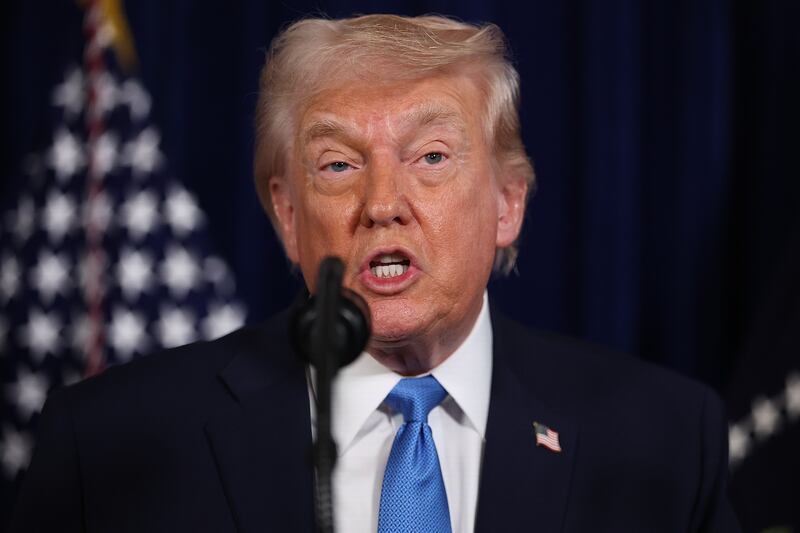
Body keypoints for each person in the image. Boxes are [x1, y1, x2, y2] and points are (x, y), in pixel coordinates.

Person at [11, 14, 740, 532]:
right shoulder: (111, 444)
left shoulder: (667, 440)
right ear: (289, 215)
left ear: (507, 204)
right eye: (338, 164)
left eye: (430, 156)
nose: (382, 204)